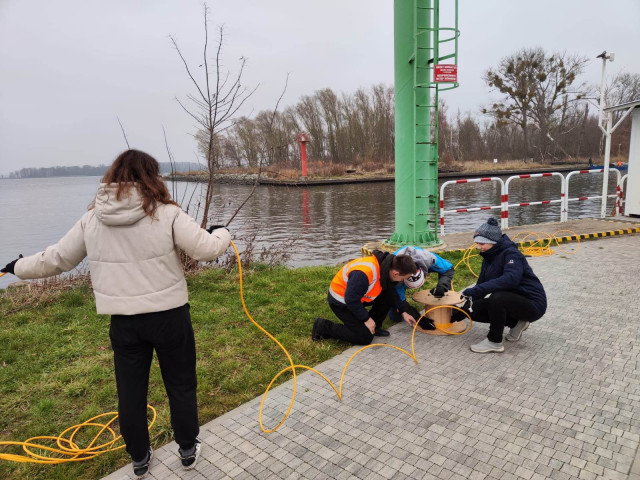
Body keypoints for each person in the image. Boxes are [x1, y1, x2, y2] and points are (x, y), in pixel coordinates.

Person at [0, 149, 231, 478]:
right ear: (152, 177)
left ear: (113, 177)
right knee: (180, 385)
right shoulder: (166, 213)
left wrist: (17, 267)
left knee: (131, 393)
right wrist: (221, 232)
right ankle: (188, 449)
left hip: (124, 324)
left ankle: (139, 458)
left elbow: (57, 259)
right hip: (169, 318)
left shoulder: (93, 218)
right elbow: (205, 249)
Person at [456, 217, 546, 353]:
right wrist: (460, 306)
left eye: (482, 243)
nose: (478, 247)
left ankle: (494, 342)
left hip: (532, 303)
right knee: (471, 309)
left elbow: (510, 279)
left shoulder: (511, 254)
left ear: (493, 242)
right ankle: (516, 323)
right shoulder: (488, 257)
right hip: (512, 301)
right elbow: (481, 286)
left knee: (498, 298)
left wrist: (475, 291)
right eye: (477, 243)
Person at [311, 251, 418, 345]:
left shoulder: (386, 266)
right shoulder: (364, 273)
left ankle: (374, 327)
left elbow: (390, 291)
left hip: (358, 296)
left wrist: (403, 311)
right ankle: (323, 326)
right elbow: (351, 300)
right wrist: (366, 319)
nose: (402, 281)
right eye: (403, 278)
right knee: (364, 337)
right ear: (396, 273)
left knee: (388, 296)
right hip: (341, 301)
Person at [388, 246, 455, 330]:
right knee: (395, 317)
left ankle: (447, 303)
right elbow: (399, 299)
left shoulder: (429, 258)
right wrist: (418, 318)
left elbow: (449, 269)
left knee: (445, 265)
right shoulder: (397, 273)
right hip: (400, 273)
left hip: (423, 262)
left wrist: (442, 286)